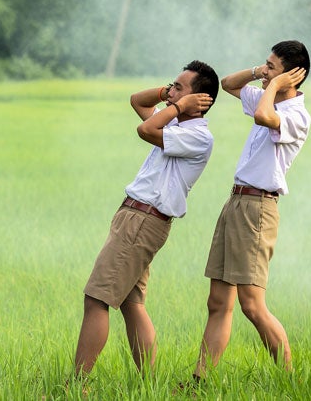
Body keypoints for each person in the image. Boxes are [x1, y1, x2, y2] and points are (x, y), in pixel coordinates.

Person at [74, 61, 219, 377]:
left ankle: (75, 386)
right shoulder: (176, 125)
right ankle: (149, 384)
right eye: (172, 85)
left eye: (179, 87)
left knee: (96, 299)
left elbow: (145, 129)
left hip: (142, 220)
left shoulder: (197, 136)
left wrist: (178, 105)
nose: (171, 92)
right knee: (131, 303)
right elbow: (137, 101)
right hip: (136, 217)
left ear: (199, 100)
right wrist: (171, 94)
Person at [188, 40, 310, 382]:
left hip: (258, 208)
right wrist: (262, 74)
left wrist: (273, 85)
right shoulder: (267, 94)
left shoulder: (296, 115)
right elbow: (228, 84)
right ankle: (201, 381)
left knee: (252, 305)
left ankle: (289, 380)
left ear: (290, 78)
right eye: (265, 64)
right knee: (218, 301)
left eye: (272, 66)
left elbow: (262, 115)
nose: (264, 70)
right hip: (237, 202)